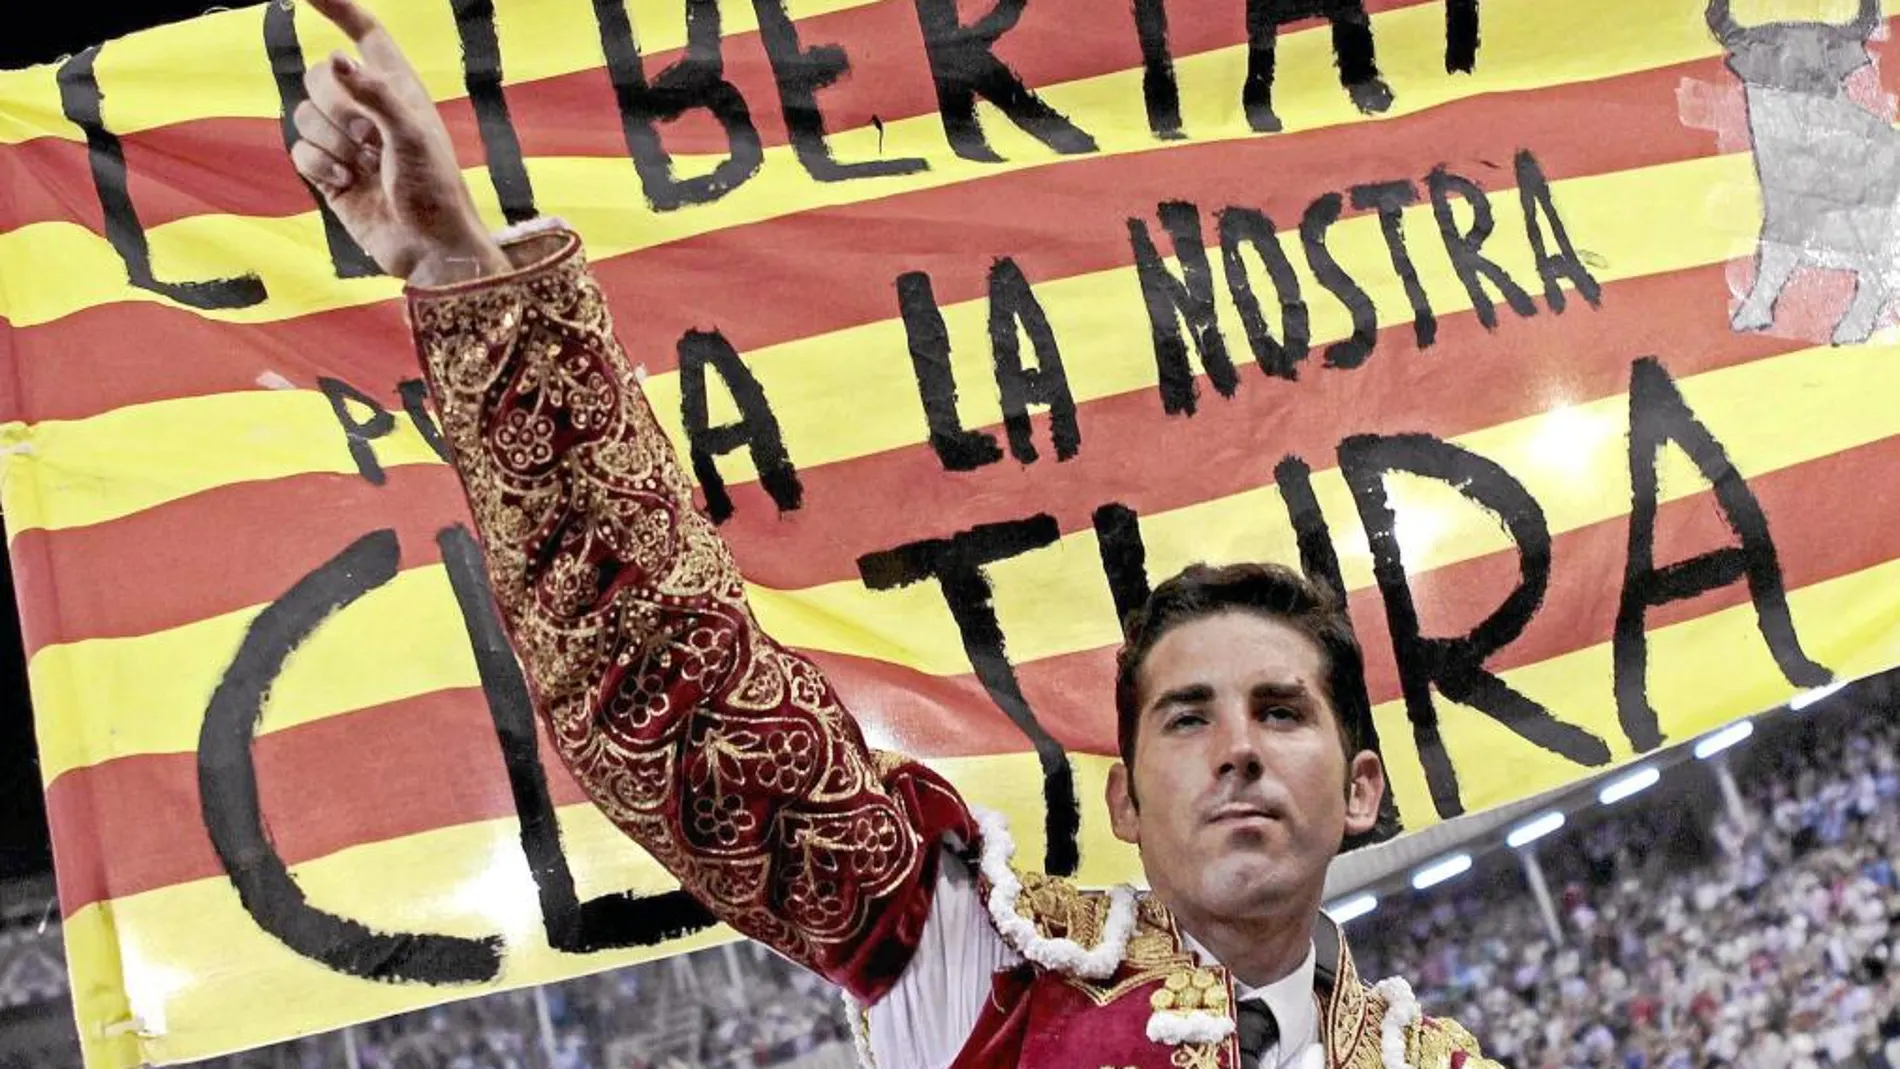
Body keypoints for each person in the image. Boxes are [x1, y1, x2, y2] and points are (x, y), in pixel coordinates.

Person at [284, 2, 1501, 1066]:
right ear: (1124, 799)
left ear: (1360, 791)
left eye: (1280, 710)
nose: (1236, 749)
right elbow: (668, 687)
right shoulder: (978, 965)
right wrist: (467, 274)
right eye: (1188, 716)